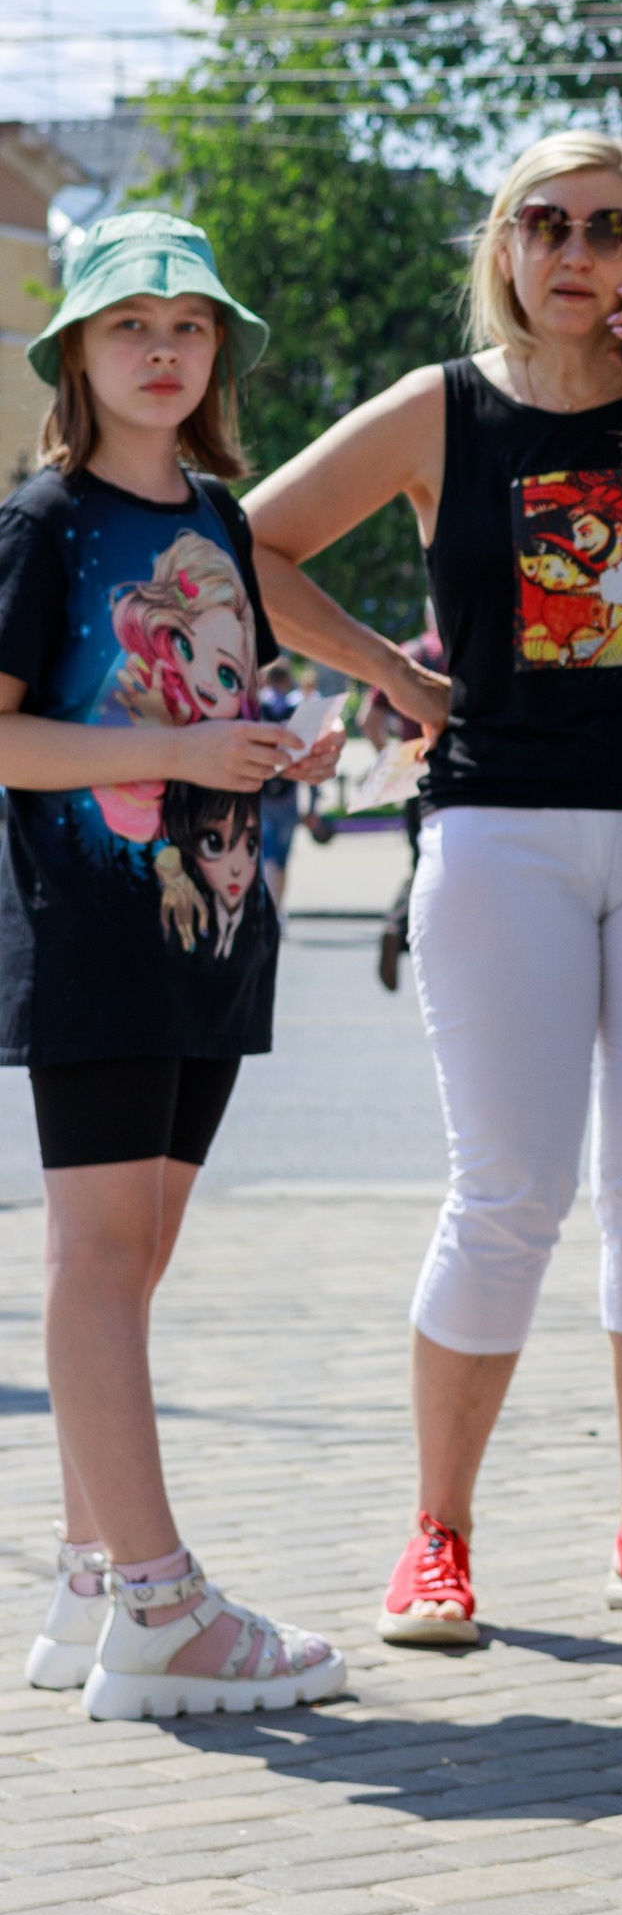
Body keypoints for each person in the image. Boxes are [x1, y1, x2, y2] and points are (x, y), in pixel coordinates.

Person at [244, 132, 622, 1646]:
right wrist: (390, 670)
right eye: (546, 222)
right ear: (504, 243)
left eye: (611, 227)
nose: (577, 250)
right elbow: (249, 546)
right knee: (508, 1193)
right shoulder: (443, 409)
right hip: (497, 829)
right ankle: (435, 1537)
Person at [6, 211, 346, 1720]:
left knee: (133, 1260)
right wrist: (177, 748)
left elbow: (215, 692)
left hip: (207, 929)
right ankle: (160, 1604)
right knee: (95, 1263)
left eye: (189, 323)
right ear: (77, 350)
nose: (162, 345)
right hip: (86, 932)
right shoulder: (42, 521)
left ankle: (93, 1575)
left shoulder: (214, 515)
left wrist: (278, 739)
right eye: (130, 322)